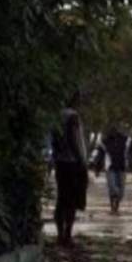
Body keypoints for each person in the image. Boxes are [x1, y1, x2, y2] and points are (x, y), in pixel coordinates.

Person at [50, 90, 89, 247]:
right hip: (73, 163)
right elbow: (74, 139)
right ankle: (67, 235)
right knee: (72, 200)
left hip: (60, 162)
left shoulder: (56, 116)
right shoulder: (73, 116)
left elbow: (54, 140)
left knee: (61, 198)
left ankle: (60, 234)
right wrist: (81, 160)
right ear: (74, 99)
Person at [93, 124, 132, 214]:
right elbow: (100, 156)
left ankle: (116, 207)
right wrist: (97, 169)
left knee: (121, 191)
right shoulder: (105, 142)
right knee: (112, 187)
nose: (114, 134)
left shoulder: (125, 140)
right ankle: (113, 207)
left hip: (122, 167)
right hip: (110, 168)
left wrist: (131, 159)